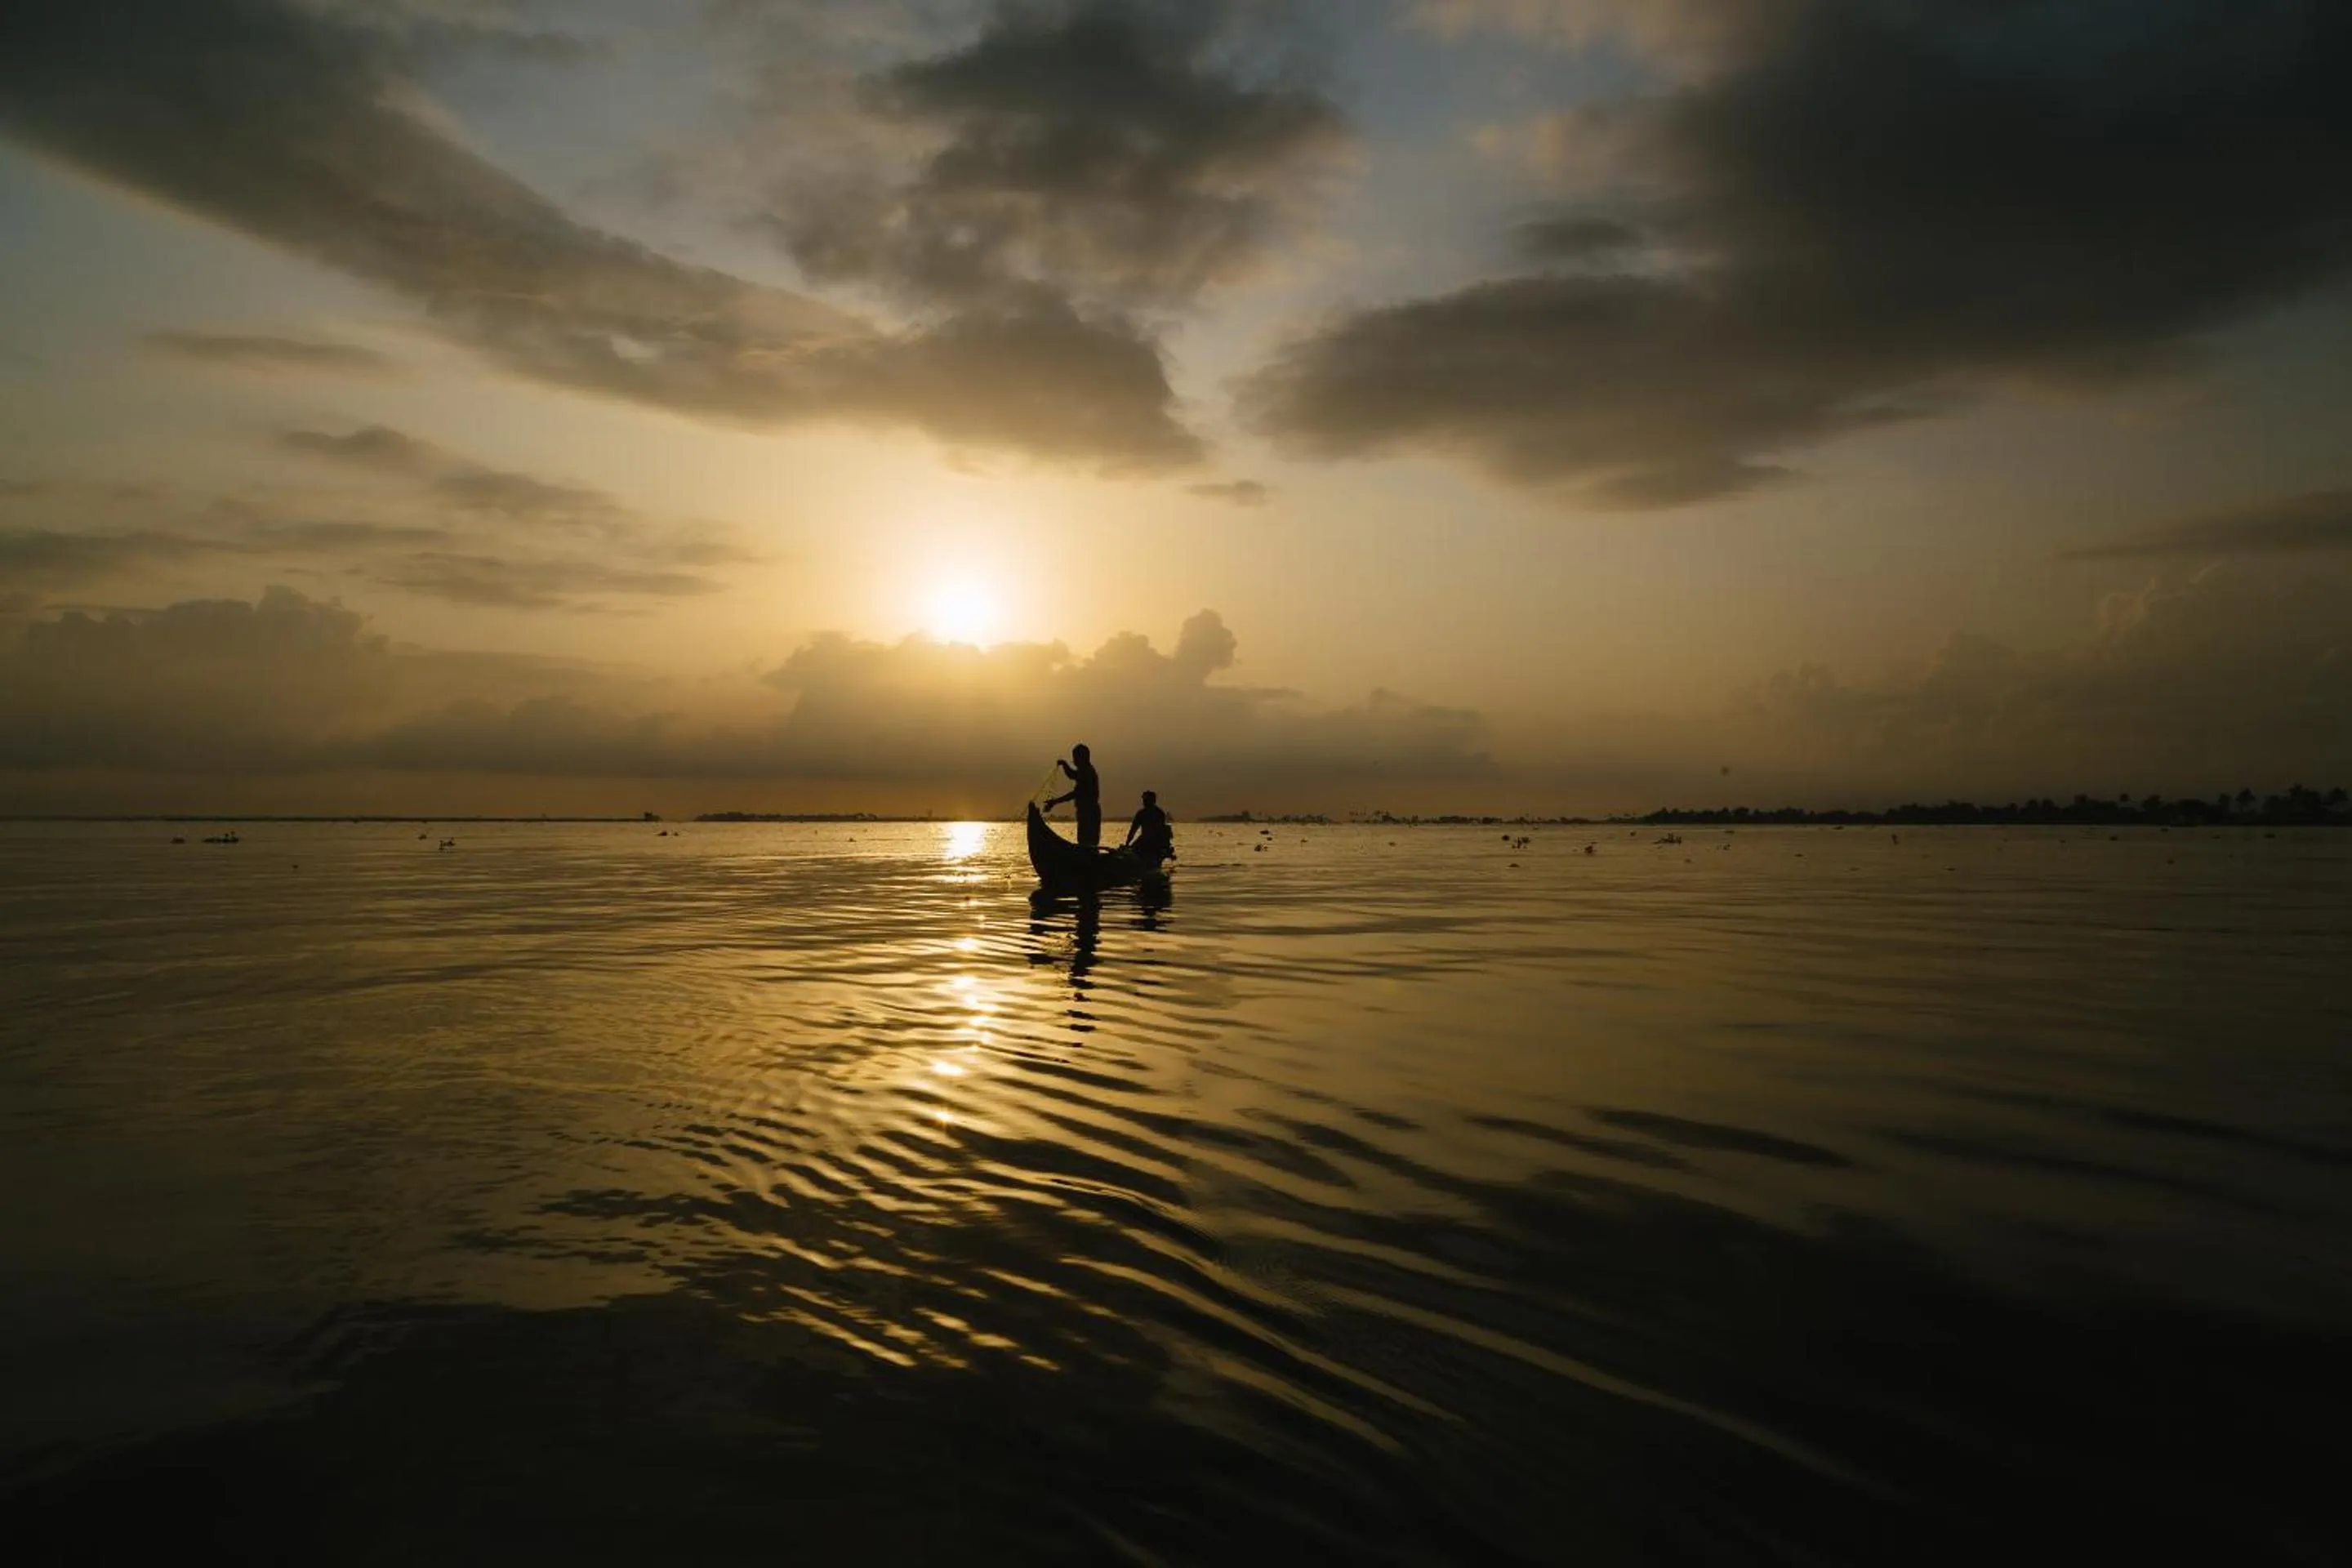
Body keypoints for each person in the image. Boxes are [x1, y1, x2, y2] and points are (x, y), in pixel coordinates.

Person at [1044, 742, 1102, 849]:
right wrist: (1064, 765)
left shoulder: (1087, 772)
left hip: (1090, 813)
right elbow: (1072, 775)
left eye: (1075, 758)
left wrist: (1055, 802)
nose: (1074, 761)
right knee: (1085, 844)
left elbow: (1076, 793)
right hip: (1085, 812)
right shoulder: (1083, 771)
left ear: (1083, 758)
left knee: (1088, 844)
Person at [1123, 791, 1174, 867]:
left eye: (1146, 800)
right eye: (1144, 800)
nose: (1144, 802)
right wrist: (1127, 844)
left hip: (1156, 842)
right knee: (1131, 851)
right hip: (1144, 840)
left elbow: (1161, 830)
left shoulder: (1159, 813)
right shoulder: (1141, 814)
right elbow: (1133, 830)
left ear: (1153, 801)